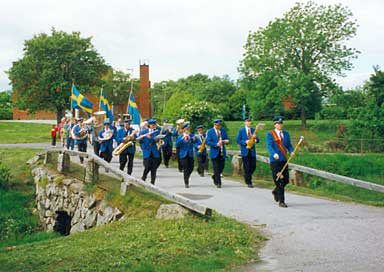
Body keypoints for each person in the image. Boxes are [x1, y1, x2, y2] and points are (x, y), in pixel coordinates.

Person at [266, 116, 294, 208]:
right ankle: (282, 201)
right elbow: (269, 146)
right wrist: (273, 154)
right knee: (279, 181)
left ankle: (275, 191)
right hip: (275, 161)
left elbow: (289, 145)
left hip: (284, 160)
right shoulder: (270, 134)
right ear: (275, 124)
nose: (280, 125)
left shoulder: (286, 134)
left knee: (286, 180)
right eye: (278, 123)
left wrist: (291, 151)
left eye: (281, 123)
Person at [236, 117, 259, 188]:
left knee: (253, 166)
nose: (249, 123)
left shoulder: (253, 130)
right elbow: (238, 140)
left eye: (250, 121)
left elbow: (258, 140)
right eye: (247, 121)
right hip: (245, 151)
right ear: (245, 123)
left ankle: (247, 175)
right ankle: (249, 182)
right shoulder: (241, 130)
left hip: (252, 151)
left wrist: (255, 140)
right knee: (247, 166)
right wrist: (245, 142)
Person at [206, 119, 230, 188]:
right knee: (216, 167)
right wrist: (216, 144)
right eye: (217, 125)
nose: (218, 126)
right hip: (214, 152)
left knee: (221, 166)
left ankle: (214, 176)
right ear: (214, 125)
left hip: (222, 152)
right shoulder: (210, 131)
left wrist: (226, 141)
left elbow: (227, 138)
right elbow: (208, 142)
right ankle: (218, 183)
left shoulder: (223, 130)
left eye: (220, 125)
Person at [176, 122, 201, 188]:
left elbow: (197, 142)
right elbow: (177, 144)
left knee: (191, 168)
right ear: (184, 130)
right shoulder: (180, 137)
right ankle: (186, 182)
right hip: (183, 155)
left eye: (189, 129)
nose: (188, 130)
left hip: (190, 154)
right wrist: (183, 138)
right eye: (187, 129)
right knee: (186, 168)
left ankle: (187, 176)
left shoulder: (193, 136)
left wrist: (197, 146)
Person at [139, 118, 162, 184]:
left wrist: (150, 138)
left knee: (154, 169)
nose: (153, 126)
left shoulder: (157, 131)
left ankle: (152, 183)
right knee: (147, 166)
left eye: (154, 124)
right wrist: (141, 138)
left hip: (154, 152)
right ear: (149, 125)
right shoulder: (144, 131)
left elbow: (156, 140)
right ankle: (144, 177)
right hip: (147, 152)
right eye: (152, 124)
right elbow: (140, 141)